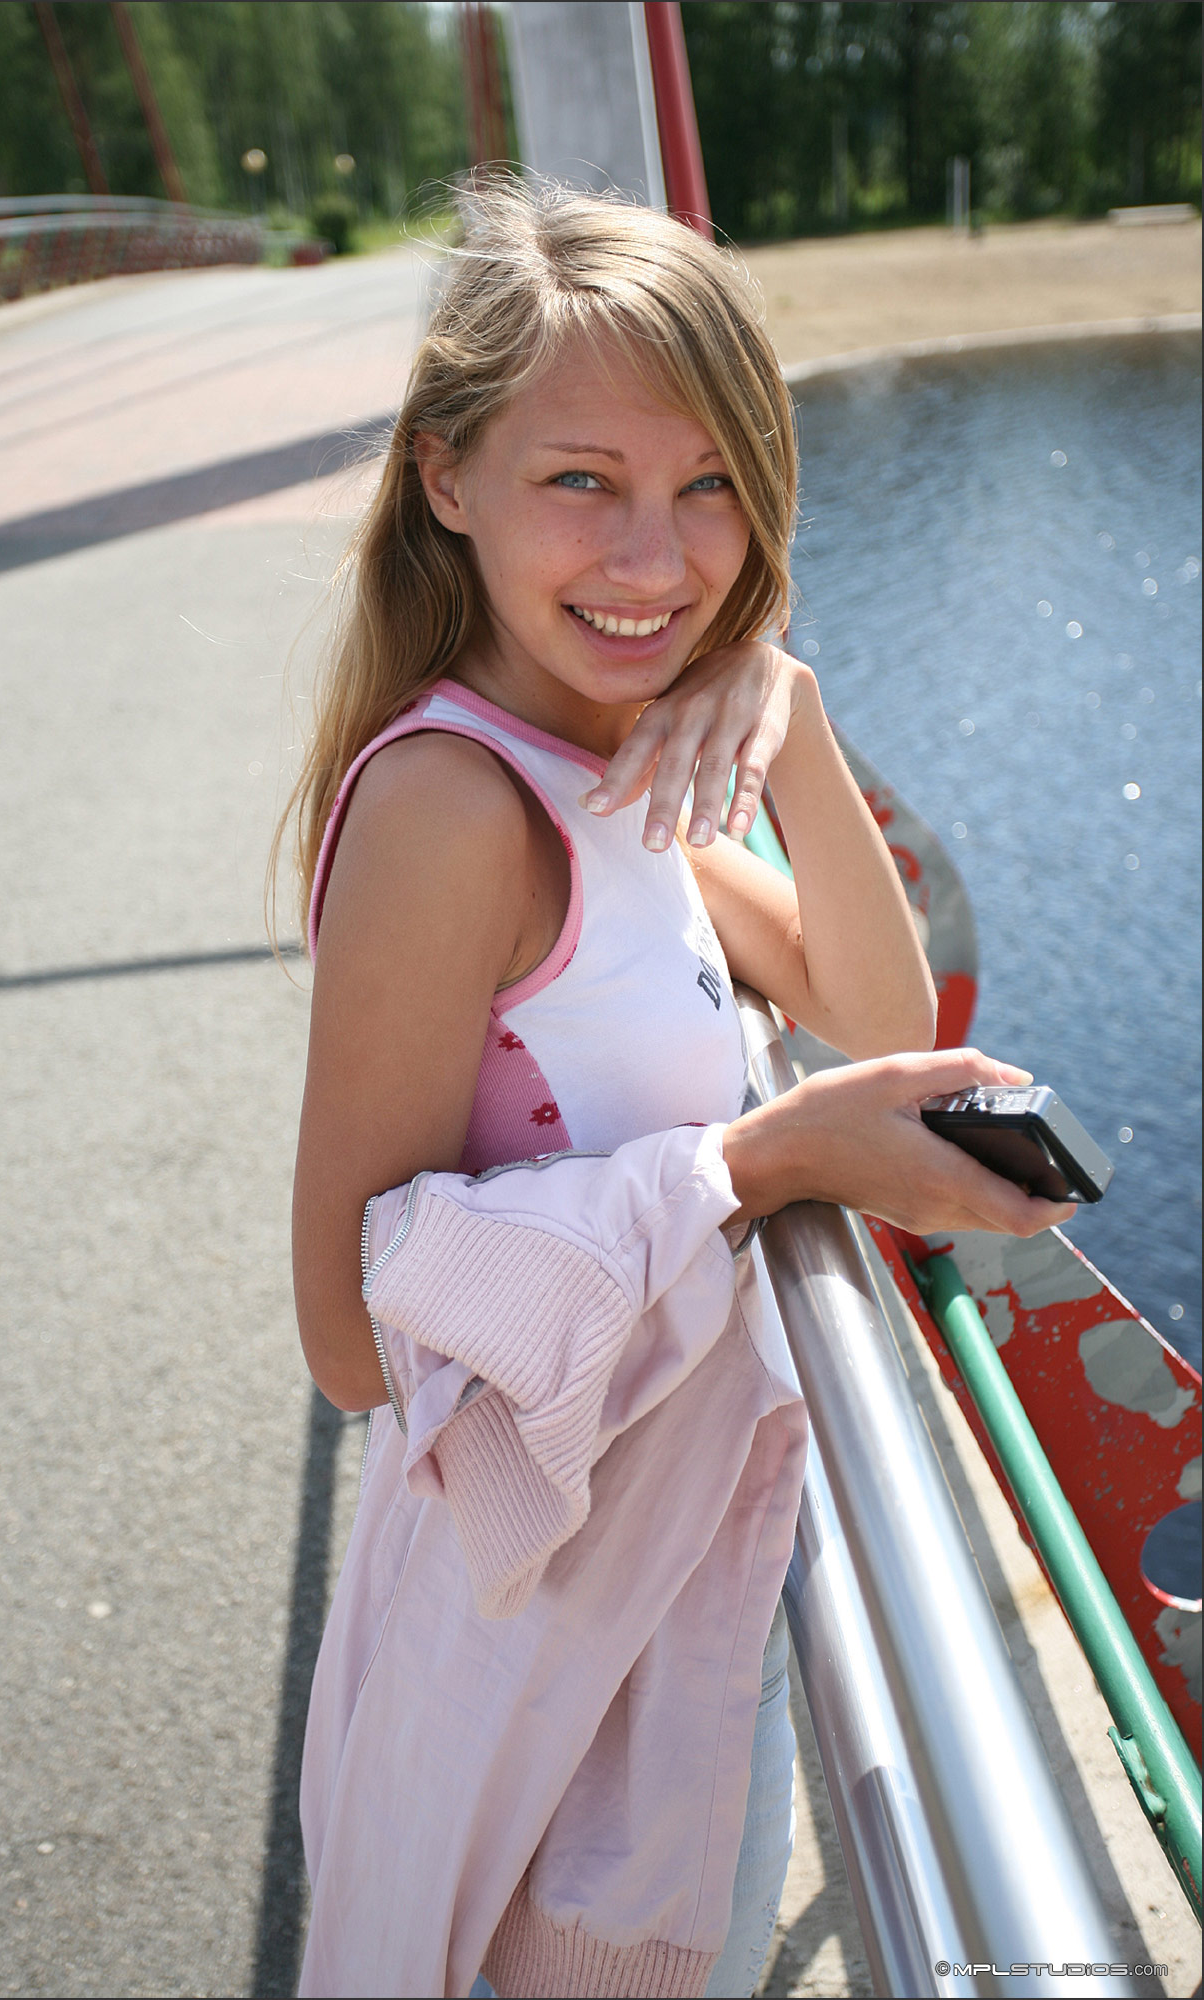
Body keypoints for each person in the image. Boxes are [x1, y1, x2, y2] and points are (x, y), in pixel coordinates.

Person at [273, 179, 1075, 2000]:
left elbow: (871, 1009)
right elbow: (346, 1338)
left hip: (673, 1594)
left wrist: (785, 709)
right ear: (445, 475)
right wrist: (761, 1159)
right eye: (584, 480)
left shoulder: (600, 757)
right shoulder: (452, 808)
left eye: (709, 485)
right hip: (545, 1659)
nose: (655, 560)